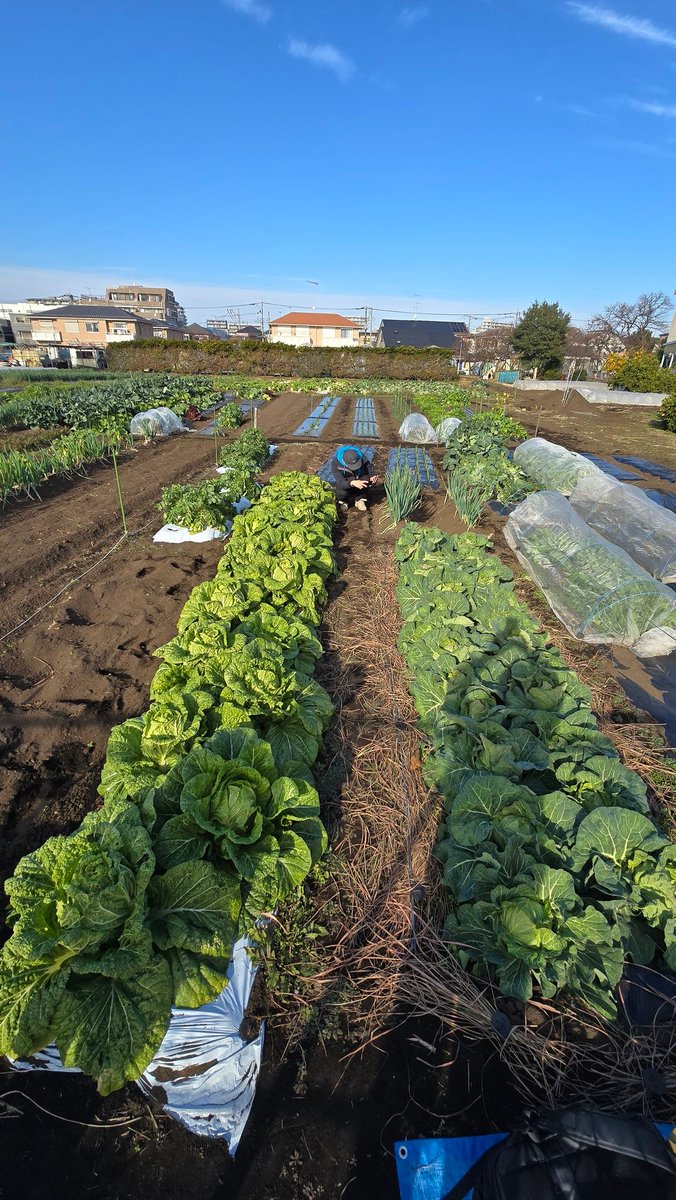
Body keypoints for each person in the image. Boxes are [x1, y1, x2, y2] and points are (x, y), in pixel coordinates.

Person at [331, 445, 379, 513]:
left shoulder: (361, 457)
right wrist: (352, 483)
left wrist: (372, 476)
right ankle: (344, 501)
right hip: (347, 482)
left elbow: (369, 469)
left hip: (359, 477)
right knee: (340, 489)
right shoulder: (336, 464)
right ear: (344, 462)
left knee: (366, 479)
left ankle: (359, 499)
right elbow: (340, 481)